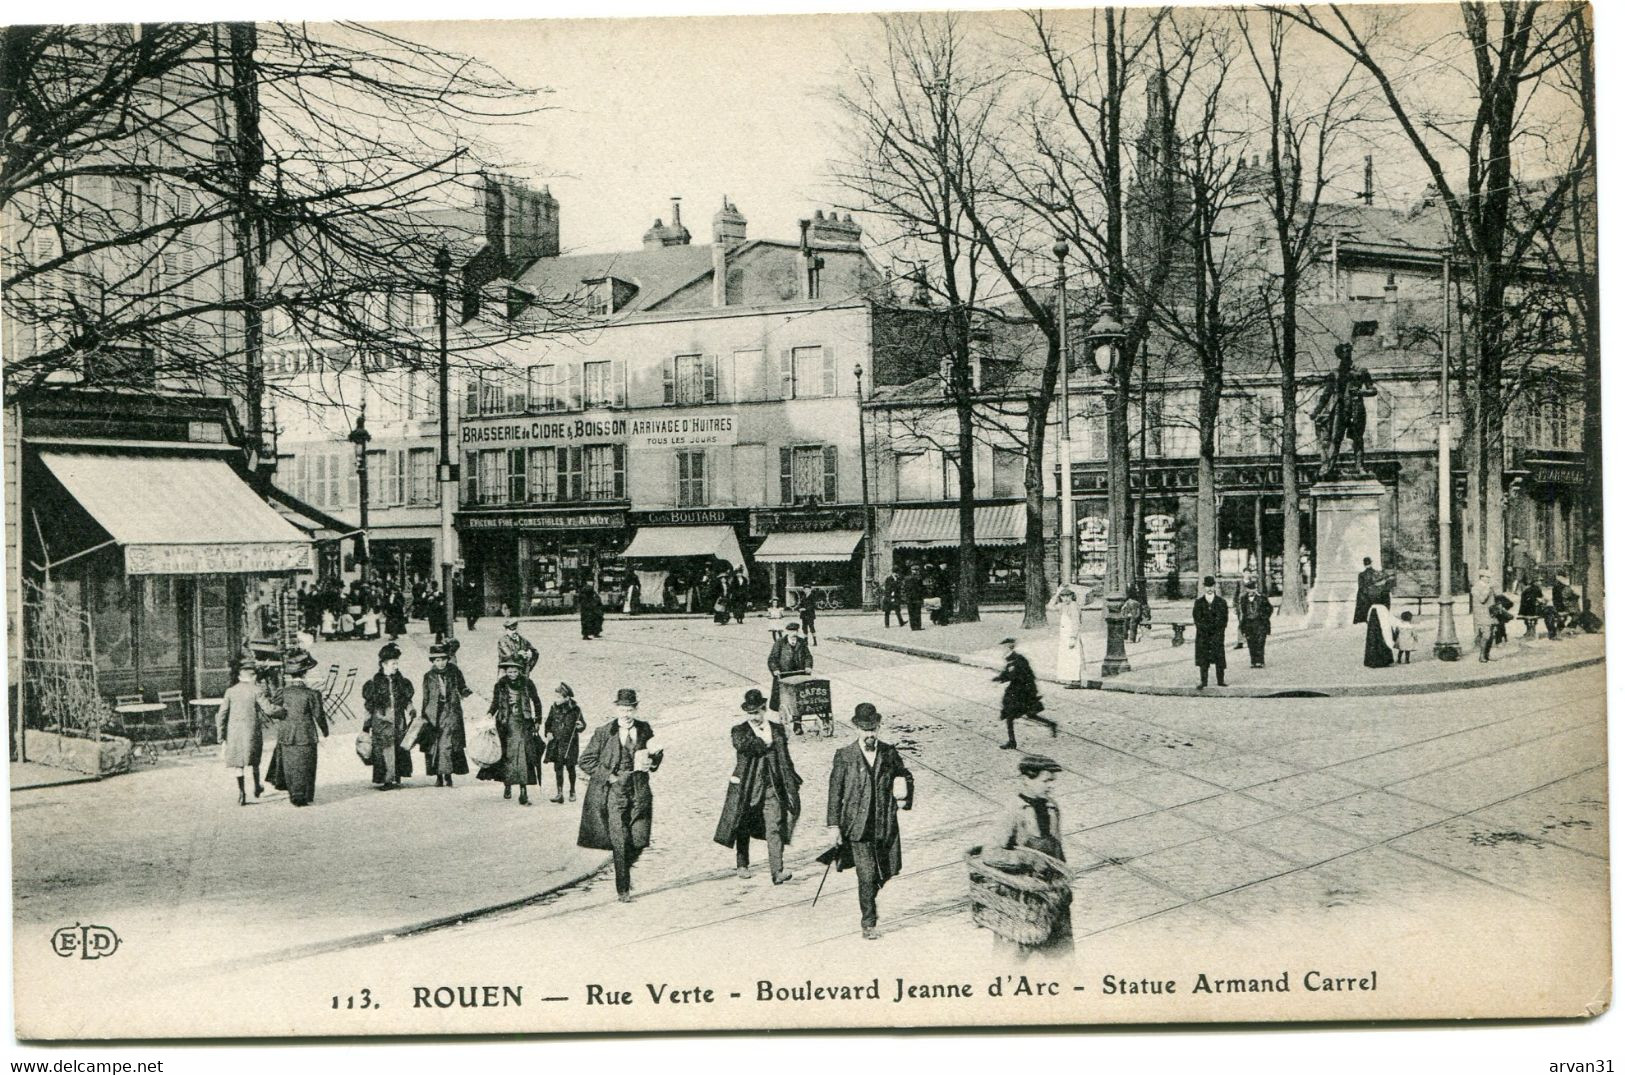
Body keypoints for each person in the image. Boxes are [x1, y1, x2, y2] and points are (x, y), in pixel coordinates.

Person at [823, 703, 914, 941]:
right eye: (865, 729)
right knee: (866, 875)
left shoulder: (889, 752)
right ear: (856, 728)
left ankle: (870, 899)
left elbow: (904, 774)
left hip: (884, 825)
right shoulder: (844, 756)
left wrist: (904, 794)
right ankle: (869, 923)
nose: (870, 734)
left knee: (889, 870)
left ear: (879, 726)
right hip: (857, 827)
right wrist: (833, 826)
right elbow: (835, 792)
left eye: (873, 728)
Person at [977, 753, 1072, 957]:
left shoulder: (1052, 807)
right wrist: (1027, 859)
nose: (1050, 786)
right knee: (1014, 961)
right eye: (1045, 781)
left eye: (1052, 781)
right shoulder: (1013, 810)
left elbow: (1057, 851)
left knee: (1062, 958)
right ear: (1026, 779)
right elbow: (990, 854)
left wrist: (1064, 886)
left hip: (1051, 898)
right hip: (1020, 903)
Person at [578, 688, 663, 902]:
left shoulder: (644, 729)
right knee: (620, 840)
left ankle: (625, 867)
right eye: (622, 709)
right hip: (615, 794)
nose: (626, 714)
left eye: (630, 709)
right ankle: (623, 888)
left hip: (640, 790)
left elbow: (655, 754)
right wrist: (610, 777)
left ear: (636, 709)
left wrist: (653, 761)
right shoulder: (604, 732)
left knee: (639, 839)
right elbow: (585, 760)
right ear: (616, 709)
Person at [713, 687, 801, 883]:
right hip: (747, 788)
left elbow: (785, 758)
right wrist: (767, 741)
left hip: (773, 788)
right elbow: (745, 745)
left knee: (774, 826)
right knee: (742, 825)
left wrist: (792, 779)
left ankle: (777, 871)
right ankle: (742, 863)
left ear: (764, 709)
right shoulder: (739, 731)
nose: (753, 717)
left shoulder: (777, 730)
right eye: (749, 713)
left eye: (756, 712)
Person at [267, 649, 328, 806]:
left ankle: (294, 794)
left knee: (290, 764)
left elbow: (272, 707)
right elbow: (319, 715)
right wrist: (325, 731)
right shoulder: (312, 694)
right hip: (306, 733)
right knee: (307, 764)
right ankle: (305, 795)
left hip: (286, 733)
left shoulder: (283, 692)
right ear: (305, 674)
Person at [216, 661, 278, 805]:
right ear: (253, 677)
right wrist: (281, 711)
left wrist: (220, 735)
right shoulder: (256, 690)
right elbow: (268, 710)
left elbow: (222, 714)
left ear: (239, 677)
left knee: (239, 763)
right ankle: (257, 787)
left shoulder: (230, 691)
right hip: (252, 731)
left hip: (234, 733)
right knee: (254, 760)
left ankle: (241, 793)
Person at [486, 656, 543, 805]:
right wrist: (489, 714)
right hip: (505, 724)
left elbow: (536, 701)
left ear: (519, 670)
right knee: (507, 756)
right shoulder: (500, 684)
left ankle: (523, 791)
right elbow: (495, 703)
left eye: (515, 671)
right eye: (509, 672)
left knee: (523, 756)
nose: (512, 674)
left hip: (524, 723)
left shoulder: (527, 683)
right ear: (506, 672)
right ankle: (508, 784)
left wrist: (538, 720)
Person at [361, 642, 415, 789]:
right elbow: (369, 706)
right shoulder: (374, 683)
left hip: (398, 720)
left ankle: (396, 777)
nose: (396, 666)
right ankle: (386, 779)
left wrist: (411, 710)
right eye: (393, 663)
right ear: (383, 664)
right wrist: (366, 726)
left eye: (397, 663)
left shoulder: (401, 681)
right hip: (381, 721)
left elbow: (406, 699)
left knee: (398, 748)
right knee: (384, 750)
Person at [420, 643, 471, 788]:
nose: (440, 663)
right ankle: (438, 776)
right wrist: (424, 715)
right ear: (432, 662)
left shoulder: (454, 672)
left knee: (448, 744)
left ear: (447, 659)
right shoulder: (428, 676)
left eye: (443, 659)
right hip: (434, 714)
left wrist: (465, 692)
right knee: (435, 746)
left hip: (451, 712)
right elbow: (425, 697)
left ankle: (448, 775)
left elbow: (462, 687)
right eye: (437, 660)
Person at [994, 638, 1055, 748]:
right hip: (1022, 691)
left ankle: (1012, 742)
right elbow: (1009, 673)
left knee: (1010, 716)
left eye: (1004, 647)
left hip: (1023, 692)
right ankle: (1051, 724)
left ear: (1009, 647)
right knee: (1029, 714)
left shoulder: (1017, 660)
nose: (1002, 649)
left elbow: (1018, 675)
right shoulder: (1011, 659)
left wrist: (1003, 678)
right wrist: (1000, 678)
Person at [543, 682, 587, 804]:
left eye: (558, 697)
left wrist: (580, 726)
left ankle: (572, 791)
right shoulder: (553, 708)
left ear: (566, 698)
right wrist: (548, 733)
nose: (555, 699)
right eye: (555, 696)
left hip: (570, 744)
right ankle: (559, 793)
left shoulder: (575, 710)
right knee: (557, 768)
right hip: (556, 743)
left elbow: (582, 725)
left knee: (570, 768)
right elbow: (548, 723)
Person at [767, 621, 814, 732]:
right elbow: (772, 659)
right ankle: (781, 721)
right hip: (784, 676)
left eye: (795, 631)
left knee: (799, 699)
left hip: (799, 675)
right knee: (784, 699)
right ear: (787, 632)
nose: (793, 633)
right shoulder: (780, 642)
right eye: (791, 631)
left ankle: (797, 725)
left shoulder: (802, 642)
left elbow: (808, 656)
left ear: (798, 631)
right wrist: (775, 670)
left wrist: (808, 666)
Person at [1191, 576, 1229, 688]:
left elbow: (1224, 619)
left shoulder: (1221, 602)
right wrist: (1205, 629)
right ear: (1204, 587)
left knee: (1219, 658)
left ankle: (1220, 681)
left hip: (1217, 635)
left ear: (1214, 586)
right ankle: (1204, 681)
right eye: (1207, 586)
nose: (1209, 589)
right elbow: (1197, 619)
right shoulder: (1198, 603)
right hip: (1203, 635)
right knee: (1203, 659)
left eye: (1211, 586)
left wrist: (1216, 629)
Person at [1047, 586, 1085, 685]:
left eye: (1068, 596)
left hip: (1071, 634)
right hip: (1064, 634)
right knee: (1067, 657)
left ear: (1072, 596)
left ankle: (1076, 680)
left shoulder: (1073, 606)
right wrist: (1056, 594)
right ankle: (1070, 678)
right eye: (1063, 596)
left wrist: (1073, 637)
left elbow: (1076, 622)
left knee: (1074, 656)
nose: (1066, 598)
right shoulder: (1063, 606)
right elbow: (1050, 606)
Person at [1236, 579, 1273, 669]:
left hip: (1260, 623)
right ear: (1247, 590)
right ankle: (1253, 661)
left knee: (1260, 642)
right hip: (1248, 623)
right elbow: (1243, 611)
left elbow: (1270, 608)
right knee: (1251, 642)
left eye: (1253, 589)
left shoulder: (1262, 598)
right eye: (1249, 589)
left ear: (1255, 589)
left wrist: (1264, 617)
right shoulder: (1243, 598)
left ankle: (1260, 661)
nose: (1251, 591)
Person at [1471, 570, 1496, 662]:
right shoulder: (1476, 587)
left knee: (1492, 635)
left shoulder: (1488, 587)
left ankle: (1487, 654)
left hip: (1490, 614)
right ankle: (1481, 656)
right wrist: (1488, 589)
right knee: (1486, 635)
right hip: (1482, 614)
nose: (1489, 579)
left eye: (1489, 577)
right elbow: (1482, 599)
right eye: (1487, 577)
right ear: (1482, 577)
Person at [1363, 604, 1397, 668]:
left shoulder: (1372, 608)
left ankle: (1373, 661)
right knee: (1383, 635)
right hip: (1381, 611)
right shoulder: (1382, 606)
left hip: (1373, 612)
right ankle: (1384, 660)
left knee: (1374, 639)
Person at [903, 565, 925, 631]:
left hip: (909, 598)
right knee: (917, 612)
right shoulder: (919, 578)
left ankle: (913, 626)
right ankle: (918, 626)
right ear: (917, 571)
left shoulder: (906, 578)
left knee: (911, 612)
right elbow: (921, 589)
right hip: (917, 598)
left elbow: (905, 588)